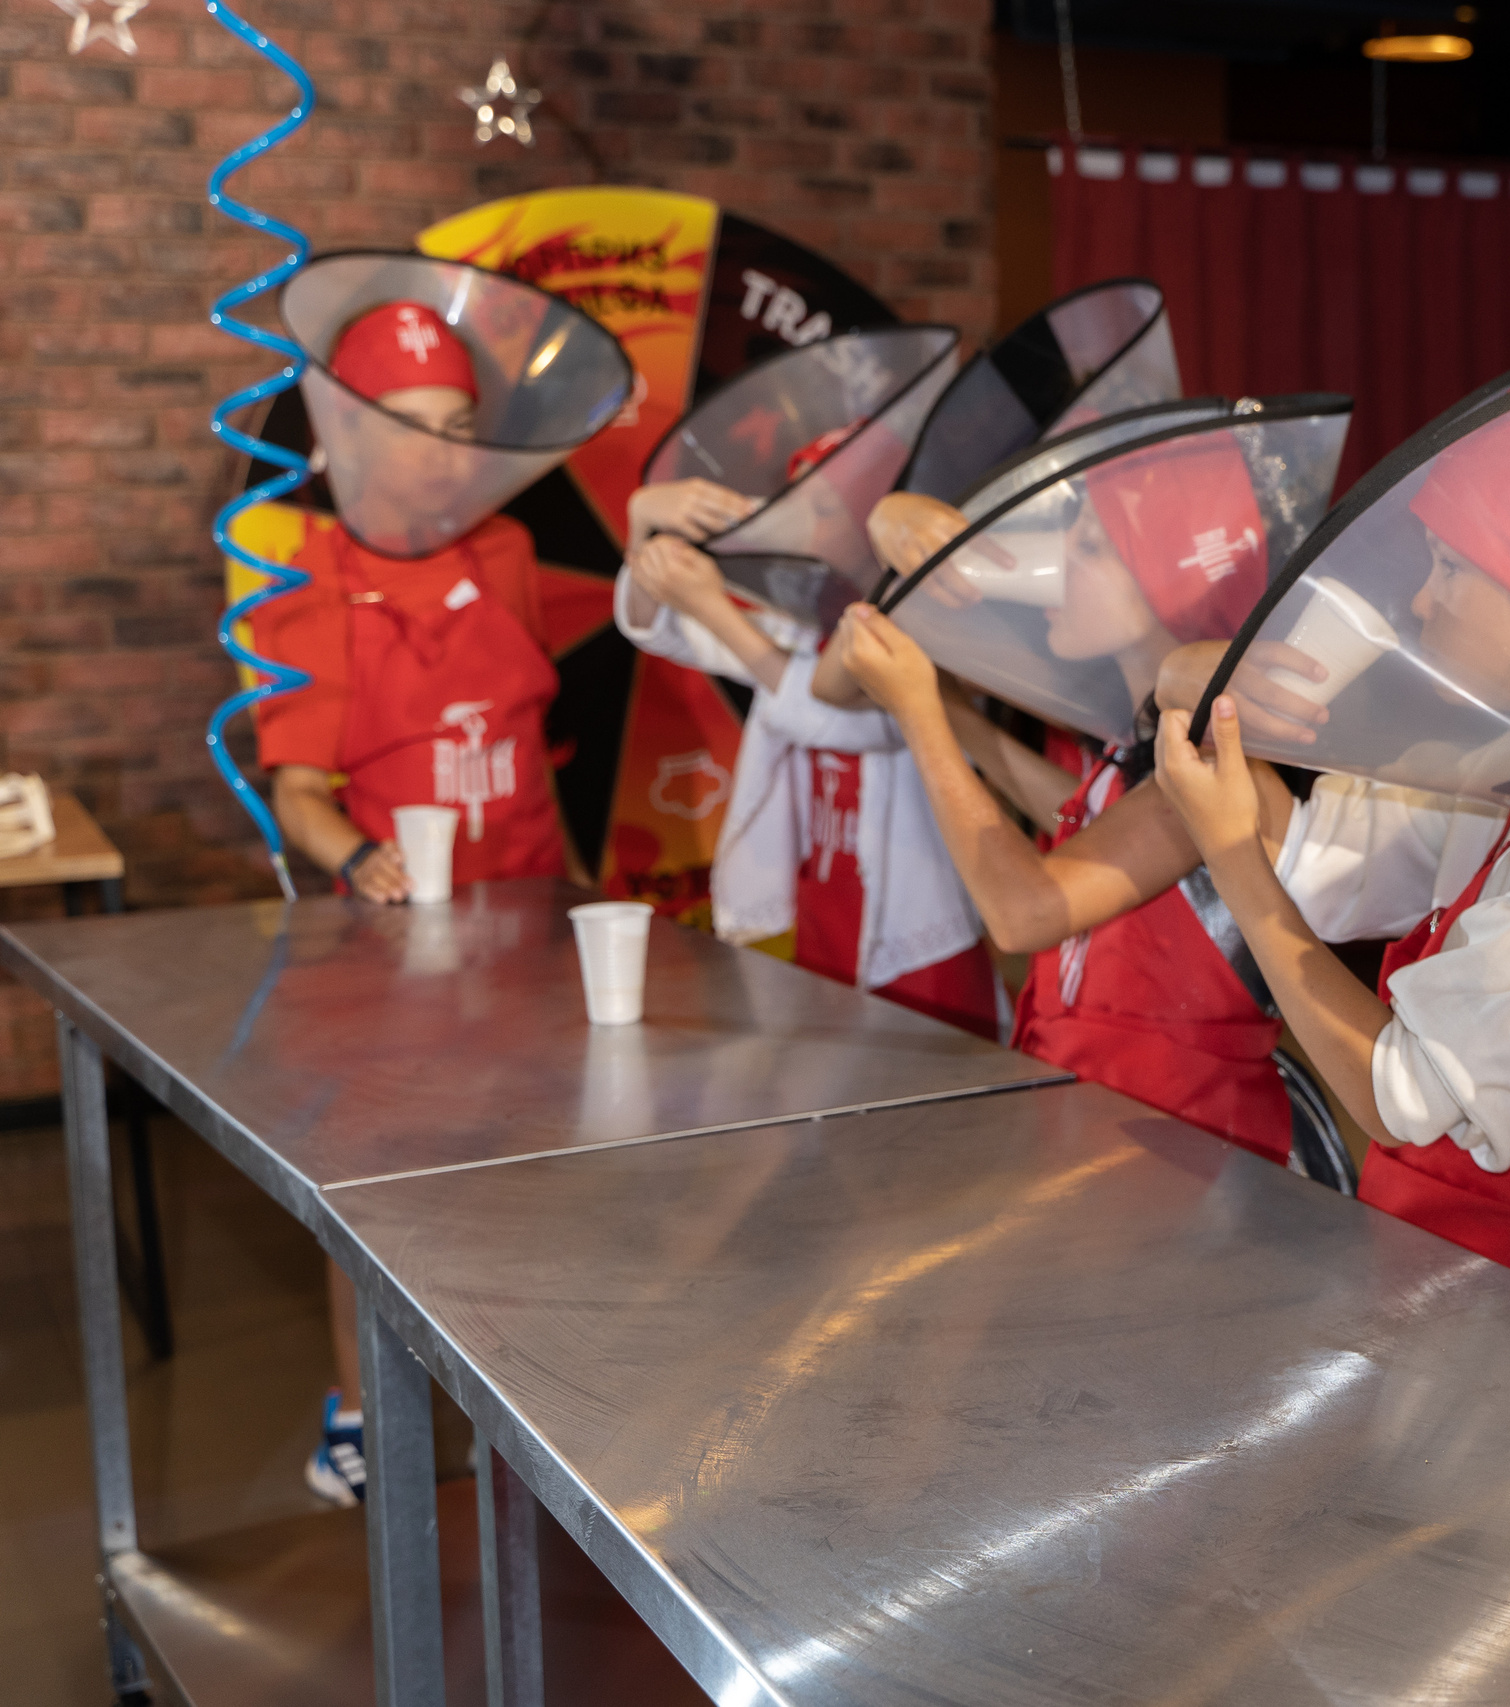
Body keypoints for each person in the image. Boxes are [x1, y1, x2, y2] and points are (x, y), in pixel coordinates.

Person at [1152, 408, 1510, 1351]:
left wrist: (1231, 863)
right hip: (1433, 1288)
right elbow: (1318, 858)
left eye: (1450, 569)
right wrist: (1197, 688)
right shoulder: (1507, 761)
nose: (1421, 602)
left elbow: (1396, 1095)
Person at [248, 300, 578, 1505]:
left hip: (524, 921)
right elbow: (298, 793)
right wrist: (358, 862)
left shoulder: (507, 553)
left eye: (459, 426)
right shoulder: (307, 576)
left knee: (518, 1181)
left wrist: (572, 883)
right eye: (413, 425)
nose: (443, 454)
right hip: (391, 952)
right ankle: (360, 1415)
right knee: (376, 1197)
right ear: (349, 435)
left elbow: (531, 742)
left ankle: (516, 1406)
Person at [824, 431, 1319, 1166]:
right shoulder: (1133, 744)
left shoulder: (1213, 763)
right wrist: (891, 524)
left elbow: (1024, 911)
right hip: (1103, 1131)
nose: (1056, 571)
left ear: (1171, 584)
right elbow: (833, 684)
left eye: (1089, 548)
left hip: (1188, 1156)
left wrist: (923, 712)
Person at [614, 446, 1003, 1039]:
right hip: (824, 902)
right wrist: (643, 524)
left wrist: (717, 611)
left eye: (821, 509)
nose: (800, 528)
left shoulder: (932, 629)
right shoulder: (803, 618)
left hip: (920, 930)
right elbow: (656, 627)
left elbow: (848, 721)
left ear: (877, 526)